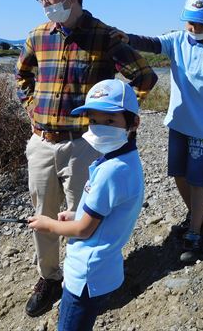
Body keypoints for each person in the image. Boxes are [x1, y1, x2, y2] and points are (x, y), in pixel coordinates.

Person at [16, 0, 156, 317]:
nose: (46, 4)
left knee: (85, 219)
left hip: (84, 145)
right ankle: (49, 278)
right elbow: (22, 78)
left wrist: (120, 119)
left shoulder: (105, 37)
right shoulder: (36, 37)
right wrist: (33, 108)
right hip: (42, 141)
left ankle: (87, 285)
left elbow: (144, 77)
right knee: (43, 215)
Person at [112, 0, 203, 263]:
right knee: (179, 174)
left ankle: (194, 233)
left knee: (198, 180)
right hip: (177, 123)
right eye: (189, 20)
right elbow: (152, 42)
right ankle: (199, 216)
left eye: (200, 22)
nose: (193, 27)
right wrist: (126, 37)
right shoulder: (178, 40)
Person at [28, 79, 144, 331]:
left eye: (110, 121)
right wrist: (76, 213)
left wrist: (48, 224)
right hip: (104, 268)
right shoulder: (126, 160)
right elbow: (106, 211)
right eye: (94, 121)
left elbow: (84, 230)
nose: (100, 128)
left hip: (85, 274)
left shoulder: (111, 171)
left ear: (134, 122)